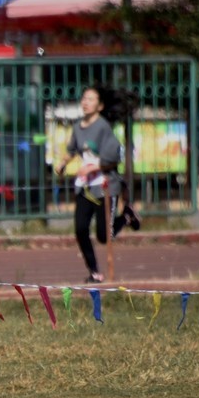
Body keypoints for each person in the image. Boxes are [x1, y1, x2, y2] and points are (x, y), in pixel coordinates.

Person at [53, 86, 140, 283]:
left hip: (105, 187)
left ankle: (127, 216)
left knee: (104, 235)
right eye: (84, 98)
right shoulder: (77, 127)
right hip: (85, 187)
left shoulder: (103, 127)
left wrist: (92, 168)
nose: (85, 102)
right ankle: (94, 272)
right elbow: (72, 149)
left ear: (99, 106)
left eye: (91, 99)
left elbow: (112, 159)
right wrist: (63, 163)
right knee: (81, 229)